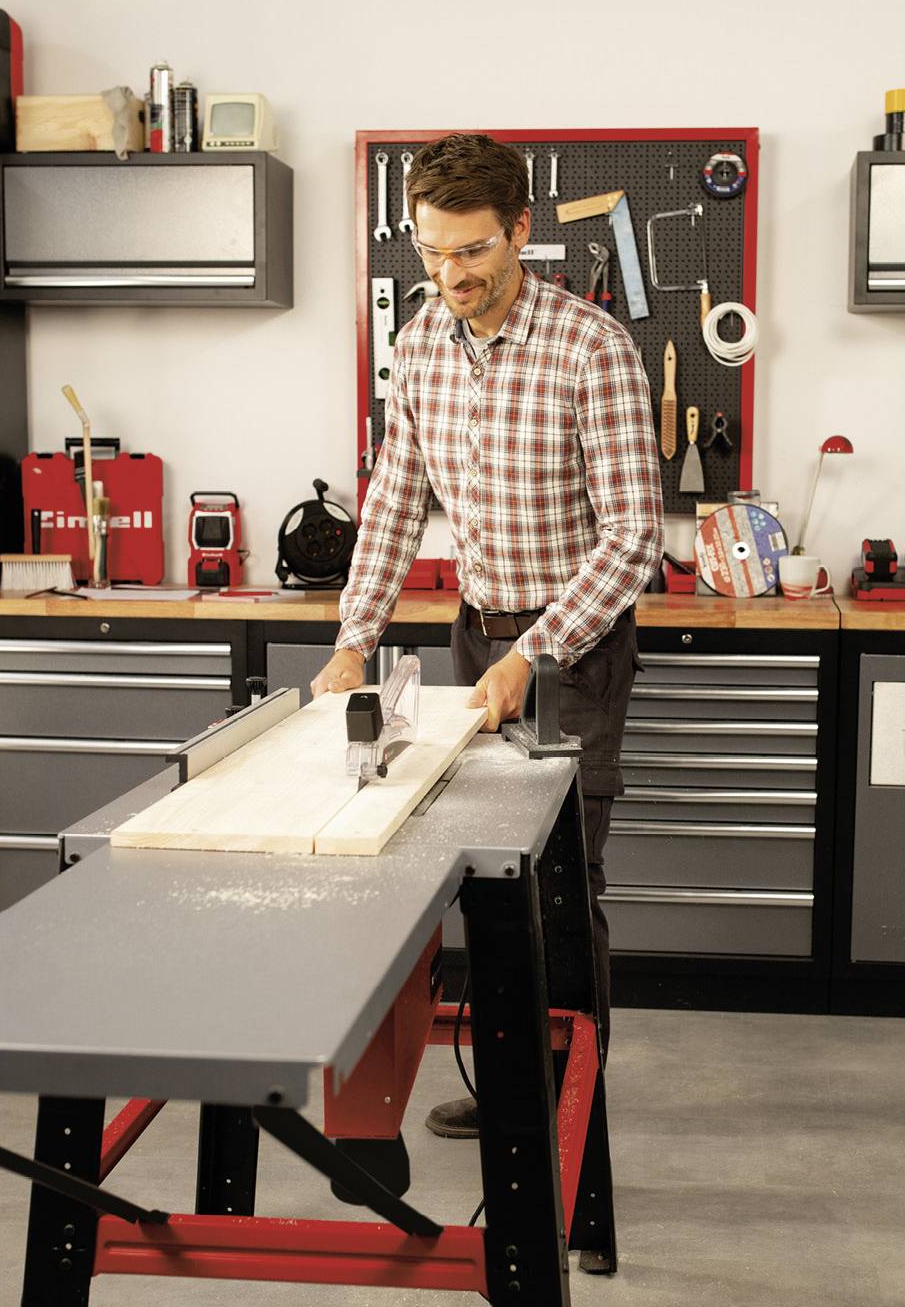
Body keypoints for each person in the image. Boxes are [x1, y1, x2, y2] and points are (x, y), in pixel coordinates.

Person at [309, 133, 663, 1140]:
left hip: (577, 653)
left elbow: (634, 536)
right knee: (482, 876)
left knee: (561, 886)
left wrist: (533, 655)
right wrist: (352, 637)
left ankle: (572, 1114)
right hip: (478, 644)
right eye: (429, 252)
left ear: (519, 233)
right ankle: (516, 1081)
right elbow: (390, 504)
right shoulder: (418, 343)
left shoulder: (591, 345)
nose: (448, 274)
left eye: (469, 251)